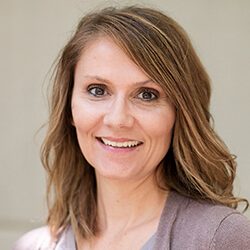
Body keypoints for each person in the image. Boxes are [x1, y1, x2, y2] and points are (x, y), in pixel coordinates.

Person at [14, 6, 250, 250]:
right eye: (97, 90)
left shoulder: (220, 238)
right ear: (68, 107)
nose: (118, 119)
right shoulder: (33, 246)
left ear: (179, 113)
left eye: (146, 95)